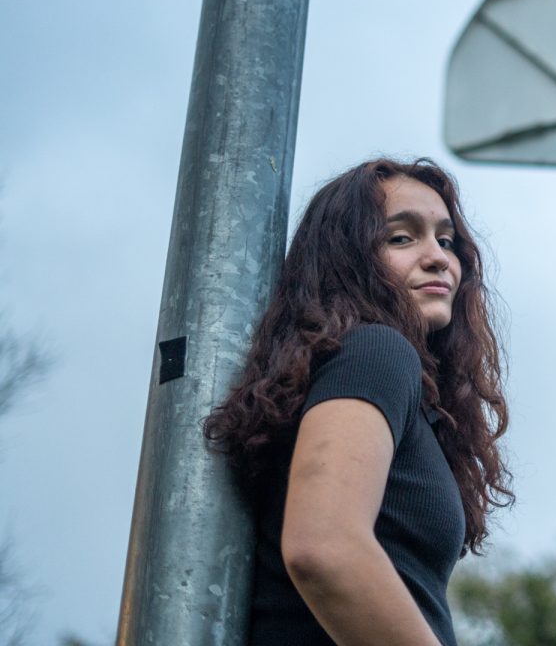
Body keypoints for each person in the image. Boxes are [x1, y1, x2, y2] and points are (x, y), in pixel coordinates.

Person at [204, 157, 512, 645]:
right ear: (346, 261)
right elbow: (325, 547)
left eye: (446, 240)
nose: (439, 258)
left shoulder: (382, 374)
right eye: (401, 237)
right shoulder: (376, 350)